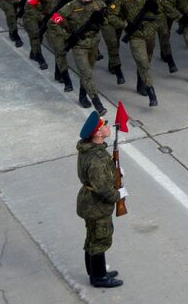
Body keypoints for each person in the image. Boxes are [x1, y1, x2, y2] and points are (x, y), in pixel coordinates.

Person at [75, 111, 124, 289]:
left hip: (89, 202)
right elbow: (102, 187)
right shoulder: (96, 159)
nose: (107, 127)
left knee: (92, 238)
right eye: (104, 126)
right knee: (100, 239)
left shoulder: (90, 150)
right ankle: (99, 277)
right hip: (96, 205)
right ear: (97, 133)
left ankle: (95, 271)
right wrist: (118, 195)